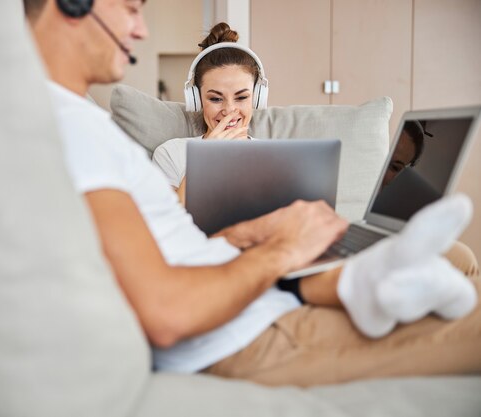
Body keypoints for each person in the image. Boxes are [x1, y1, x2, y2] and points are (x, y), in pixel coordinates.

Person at [24, 0, 481, 386]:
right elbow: (166, 309)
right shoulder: (68, 131)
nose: (141, 29)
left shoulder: (87, 125)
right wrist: (281, 250)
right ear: (73, 5)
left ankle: (367, 276)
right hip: (244, 333)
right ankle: (369, 279)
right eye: (130, 8)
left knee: (453, 262)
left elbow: (168, 247)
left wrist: (260, 233)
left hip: (259, 301)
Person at [152, 22, 259, 204]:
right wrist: (205, 158)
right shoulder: (171, 153)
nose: (229, 110)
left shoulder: (275, 158)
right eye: (216, 99)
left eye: (241, 97)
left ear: (257, 99)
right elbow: (168, 223)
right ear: (197, 99)